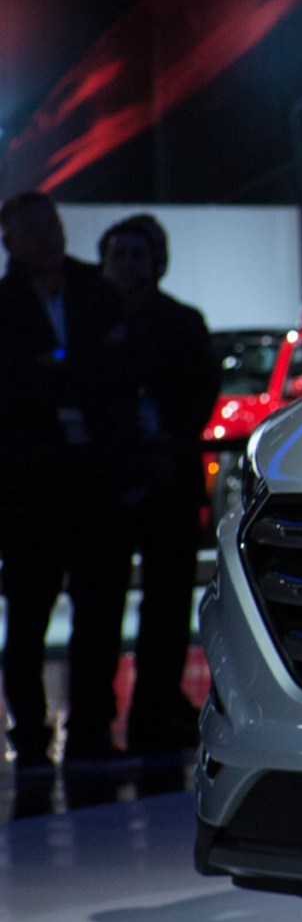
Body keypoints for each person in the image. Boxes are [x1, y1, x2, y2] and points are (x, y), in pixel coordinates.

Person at [0, 192, 130, 767]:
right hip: (32, 486)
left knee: (100, 608)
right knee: (28, 613)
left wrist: (55, 374)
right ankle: (29, 731)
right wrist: (68, 373)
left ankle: (92, 728)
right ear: (10, 242)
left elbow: (114, 376)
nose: (45, 237)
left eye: (50, 225)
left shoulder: (97, 292)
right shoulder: (5, 305)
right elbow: (17, 391)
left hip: (95, 478)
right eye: (30, 230)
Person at [97, 215, 218, 755]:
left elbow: (200, 394)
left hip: (170, 480)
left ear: (157, 263)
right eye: (119, 255)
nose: (129, 266)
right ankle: (95, 721)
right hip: (106, 483)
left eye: (137, 255)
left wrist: (167, 448)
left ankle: (156, 709)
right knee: (99, 603)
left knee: (168, 606)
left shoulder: (184, 323)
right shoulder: (90, 324)